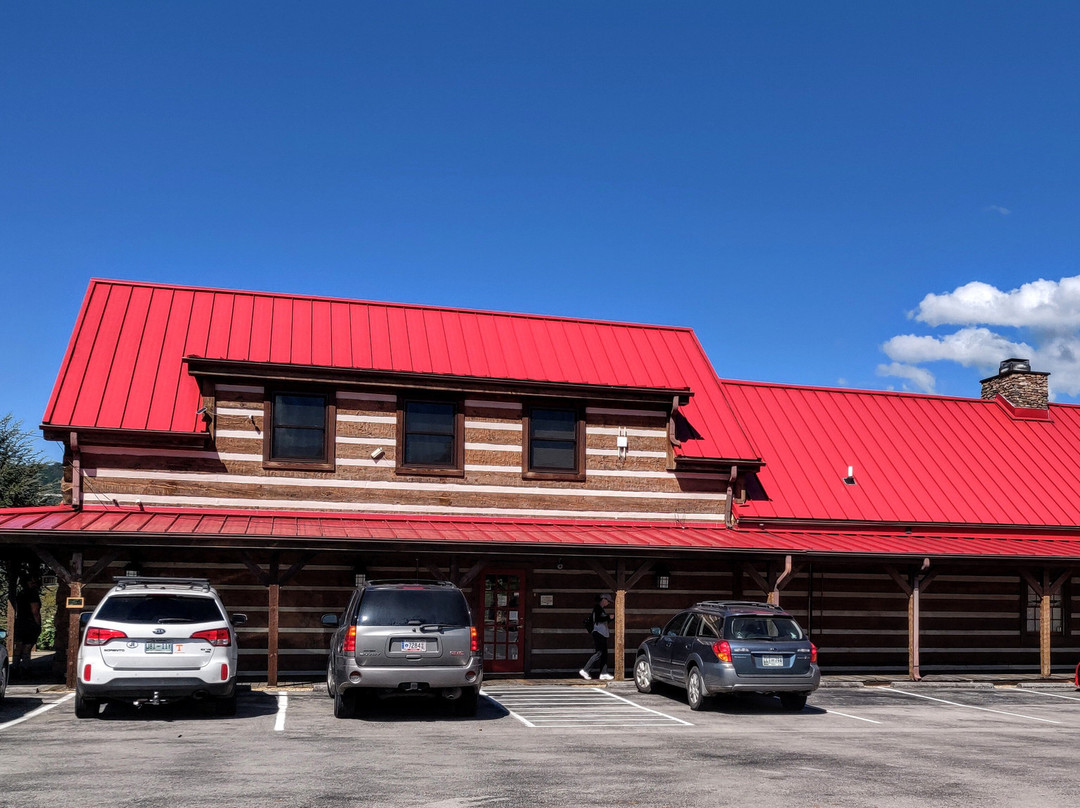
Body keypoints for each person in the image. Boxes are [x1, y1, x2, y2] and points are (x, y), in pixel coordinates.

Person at [579, 594, 614, 681]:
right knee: (599, 652)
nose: (608, 603)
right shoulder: (597, 608)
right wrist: (608, 617)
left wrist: (610, 618)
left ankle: (603, 673)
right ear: (603, 599)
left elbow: (602, 620)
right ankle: (585, 670)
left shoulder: (600, 609)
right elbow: (598, 619)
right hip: (598, 633)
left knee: (604, 653)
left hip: (602, 633)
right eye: (608, 601)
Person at [13, 575, 42, 674]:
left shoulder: (20, 594)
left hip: (20, 622)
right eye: (32, 582)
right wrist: (38, 624)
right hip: (30, 623)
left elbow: (17, 608)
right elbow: (35, 611)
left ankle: (15, 667)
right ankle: (25, 669)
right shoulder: (33, 594)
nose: (34, 584)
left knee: (18, 646)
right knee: (27, 647)